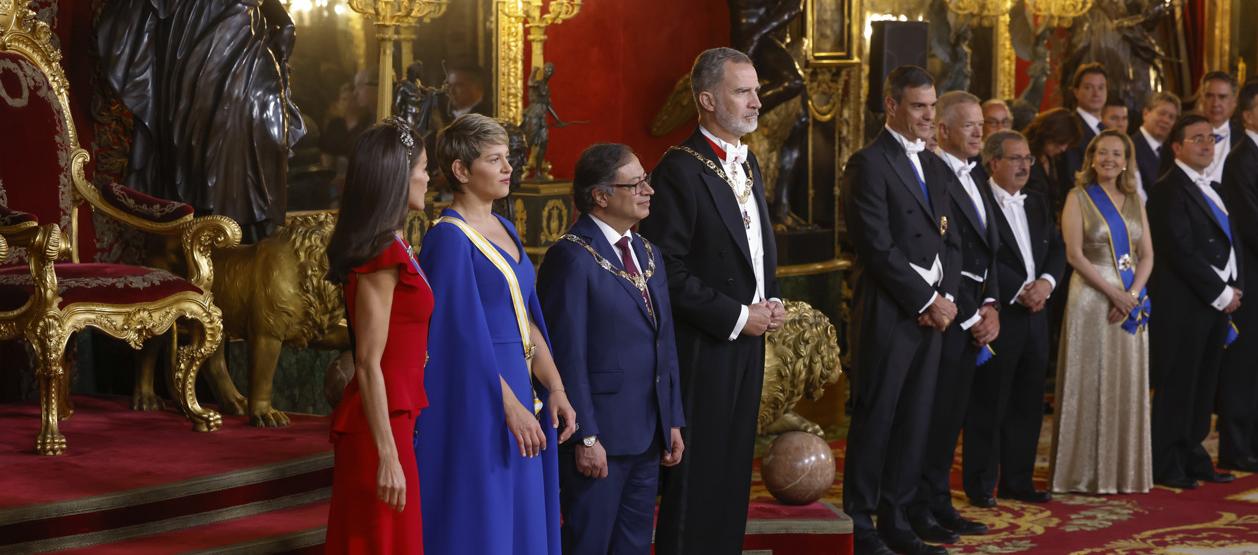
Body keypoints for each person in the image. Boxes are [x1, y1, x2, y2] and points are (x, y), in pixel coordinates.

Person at [638, 47, 783, 555]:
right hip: (703, 344)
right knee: (699, 474)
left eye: (757, 91)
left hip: (748, 337)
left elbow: (754, 246)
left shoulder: (750, 159)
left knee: (733, 469)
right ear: (705, 100)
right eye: (743, 91)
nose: (757, 102)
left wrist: (770, 299)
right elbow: (666, 271)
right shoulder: (678, 170)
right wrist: (740, 315)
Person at [416, 113, 577, 554]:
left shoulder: (506, 228)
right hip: (481, 397)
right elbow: (455, 340)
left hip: (523, 390)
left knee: (525, 514)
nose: (509, 168)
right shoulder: (448, 240)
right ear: (461, 171)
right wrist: (508, 406)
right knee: (487, 516)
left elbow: (528, 319)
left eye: (508, 158)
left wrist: (556, 388)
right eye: (495, 159)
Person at [537, 144, 687, 554]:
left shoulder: (648, 253)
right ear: (600, 196)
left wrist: (671, 418)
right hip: (599, 438)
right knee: (589, 544)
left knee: (634, 546)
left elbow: (665, 343)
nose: (648, 191)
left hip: (647, 434)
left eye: (646, 180)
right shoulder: (571, 257)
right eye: (635, 183)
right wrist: (585, 437)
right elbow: (566, 355)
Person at [841, 64, 959, 555]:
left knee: (916, 419)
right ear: (891, 106)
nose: (929, 116)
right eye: (918, 106)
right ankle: (861, 523)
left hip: (933, 311)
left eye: (932, 106)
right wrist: (926, 299)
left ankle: (897, 515)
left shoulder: (936, 164)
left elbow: (950, 239)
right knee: (878, 418)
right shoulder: (867, 163)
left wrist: (947, 296)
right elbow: (875, 245)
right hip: (891, 311)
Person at [324, 119, 432, 553]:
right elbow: (367, 363)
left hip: (397, 418)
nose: (428, 176)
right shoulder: (382, 255)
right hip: (378, 429)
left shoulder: (398, 244)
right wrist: (388, 454)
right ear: (397, 177)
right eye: (422, 167)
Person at [909, 90, 998, 546]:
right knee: (931, 420)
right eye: (969, 125)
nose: (980, 132)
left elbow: (988, 250)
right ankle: (919, 507)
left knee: (951, 421)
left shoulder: (976, 173)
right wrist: (968, 316)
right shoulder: (933, 172)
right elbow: (943, 255)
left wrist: (993, 306)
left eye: (981, 124)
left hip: (972, 320)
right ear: (942, 130)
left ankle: (939, 502)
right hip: (945, 321)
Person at [964, 130, 1065, 507]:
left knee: (1028, 401)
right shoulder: (979, 199)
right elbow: (981, 258)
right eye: (1016, 159)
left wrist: (1046, 283)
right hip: (1000, 313)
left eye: (1028, 159)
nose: (1025, 165)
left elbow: (1056, 248)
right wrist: (1019, 288)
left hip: (1036, 315)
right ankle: (980, 484)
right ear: (993, 163)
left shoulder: (1037, 201)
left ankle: (1018, 480)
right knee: (990, 401)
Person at [1051, 129, 1153, 494]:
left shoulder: (1134, 199)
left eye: (1117, 153)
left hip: (1130, 299)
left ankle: (1123, 471)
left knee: (1126, 379)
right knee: (1090, 378)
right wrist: (1114, 293)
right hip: (1092, 298)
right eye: (1103, 152)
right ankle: (1081, 472)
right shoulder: (1077, 197)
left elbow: (1148, 255)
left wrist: (1133, 294)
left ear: (1127, 161)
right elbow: (1074, 255)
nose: (1110, 158)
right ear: (1092, 157)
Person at [1147, 114, 1240, 489]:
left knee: (1204, 385)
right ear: (1177, 147)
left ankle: (1193, 453)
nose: (1206, 144)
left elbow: (1232, 244)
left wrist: (1237, 287)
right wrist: (1221, 292)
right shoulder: (1168, 189)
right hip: (1185, 306)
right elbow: (1180, 250)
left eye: (1210, 138)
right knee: (1179, 385)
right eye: (1197, 138)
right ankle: (1167, 462)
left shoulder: (1214, 186)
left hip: (1216, 304)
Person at [1219, 81, 1258, 473]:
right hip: (1252, 276)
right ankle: (1236, 446)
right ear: (1247, 115)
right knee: (1244, 364)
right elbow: (1249, 221)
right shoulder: (1242, 158)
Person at [1056, 63, 1108, 198]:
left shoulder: (1106, 130)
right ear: (1076, 92)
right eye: (1088, 87)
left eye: (1101, 88)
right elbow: (1071, 174)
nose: (1096, 93)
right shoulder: (1068, 126)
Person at [1023, 108, 1084, 217]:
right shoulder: (1023, 155)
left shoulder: (1053, 158)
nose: (1063, 148)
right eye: (1060, 142)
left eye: (1067, 143)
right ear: (1048, 134)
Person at [1197, 71, 1242, 184]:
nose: (1215, 103)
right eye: (1209, 96)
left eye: (1222, 97)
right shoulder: (1181, 135)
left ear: (1234, 102)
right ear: (1201, 99)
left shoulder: (1245, 138)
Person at [1133, 91, 1181, 192]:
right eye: (1162, 113)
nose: (1166, 120)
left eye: (1171, 117)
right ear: (1145, 113)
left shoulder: (1172, 151)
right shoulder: (1130, 148)